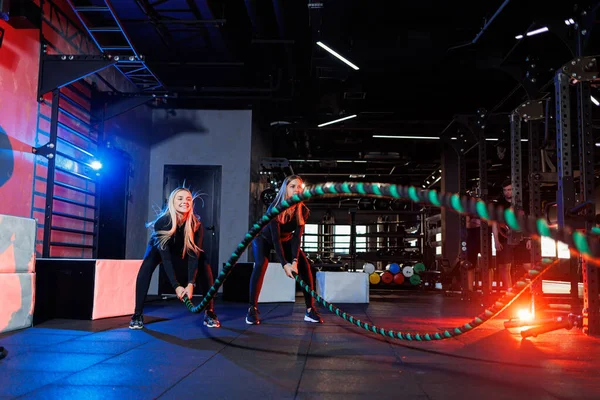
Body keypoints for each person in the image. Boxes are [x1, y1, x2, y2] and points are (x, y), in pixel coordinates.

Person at [130, 187, 220, 329]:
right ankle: (137, 314)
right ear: (173, 202)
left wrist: (191, 283)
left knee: (204, 262)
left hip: (181, 251)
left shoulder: (196, 225)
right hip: (159, 250)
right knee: (146, 266)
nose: (185, 201)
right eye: (180, 198)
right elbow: (165, 258)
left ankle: (210, 312)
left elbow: (193, 256)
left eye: (188, 199)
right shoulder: (162, 223)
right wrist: (176, 286)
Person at [246, 175, 323, 325]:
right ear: (285, 189)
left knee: (305, 266)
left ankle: (310, 310)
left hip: (286, 240)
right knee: (261, 264)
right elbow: (274, 239)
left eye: (299, 187)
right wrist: (284, 264)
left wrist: (294, 261)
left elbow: (296, 238)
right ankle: (252, 308)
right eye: (292, 186)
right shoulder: (274, 208)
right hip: (264, 239)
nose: (296, 189)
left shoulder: (303, 211)